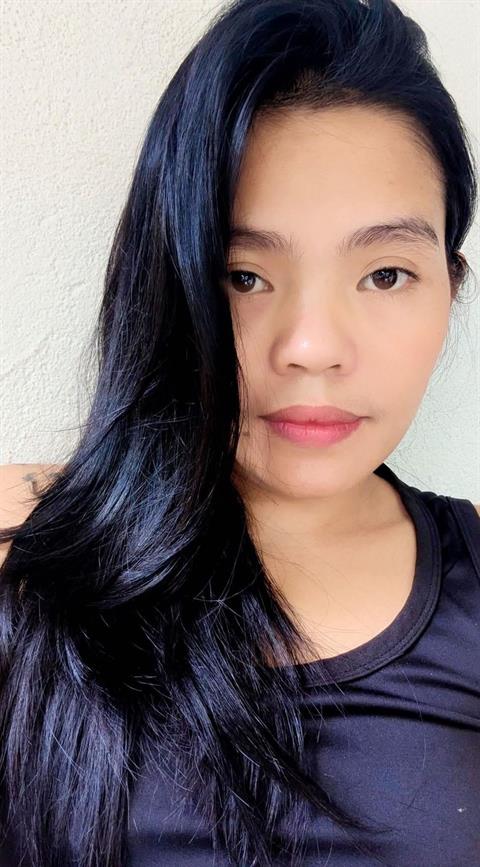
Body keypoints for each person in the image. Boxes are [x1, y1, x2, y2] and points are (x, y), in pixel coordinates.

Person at [0, 0, 479, 865]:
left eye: (384, 273)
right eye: (244, 274)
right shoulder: (26, 555)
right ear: (168, 283)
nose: (312, 347)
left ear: (451, 285)